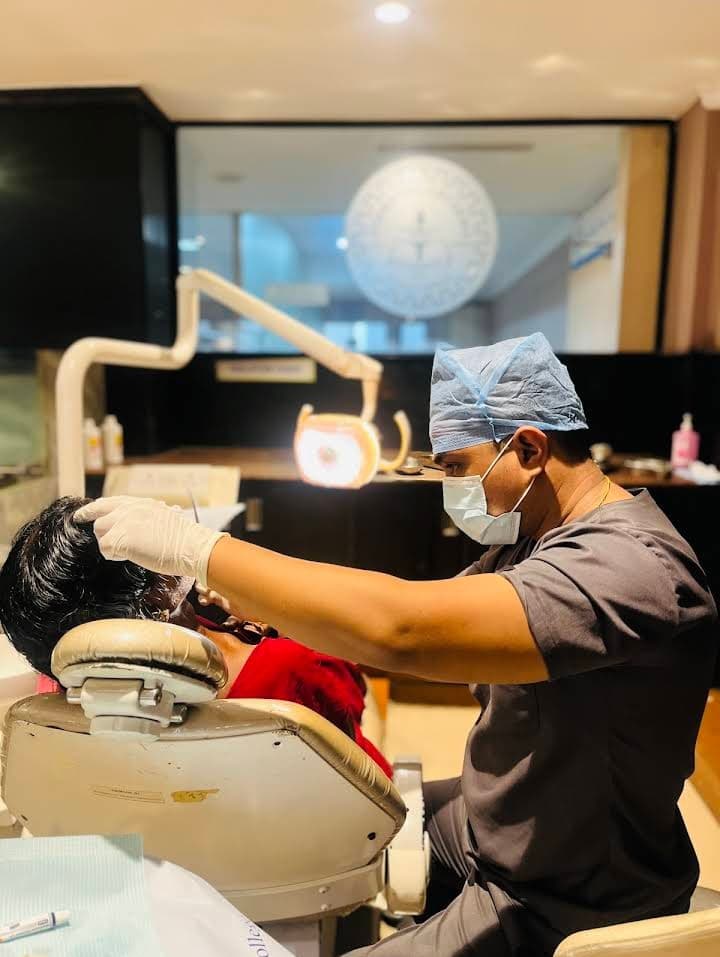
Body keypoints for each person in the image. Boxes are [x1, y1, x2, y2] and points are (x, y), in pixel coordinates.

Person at [75, 332, 718, 957]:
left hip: (563, 890)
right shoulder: (536, 537)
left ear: (527, 448)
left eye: (459, 469)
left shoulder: (630, 571)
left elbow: (405, 631)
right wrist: (246, 609)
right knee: (334, 824)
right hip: (494, 822)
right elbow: (384, 619)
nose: (453, 492)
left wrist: (198, 550)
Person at [0, 496, 391, 778]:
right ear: (159, 589)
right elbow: (354, 732)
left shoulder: (60, 705)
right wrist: (283, 620)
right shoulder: (295, 666)